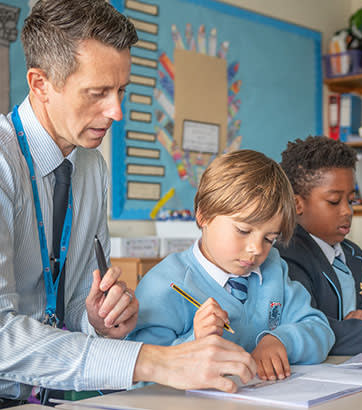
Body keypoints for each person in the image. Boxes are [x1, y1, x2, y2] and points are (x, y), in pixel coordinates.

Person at [0, 0, 256, 405]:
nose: (116, 111)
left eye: (121, 91)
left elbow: (71, 312)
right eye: (97, 93)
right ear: (40, 84)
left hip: (53, 396)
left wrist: (97, 321)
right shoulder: (2, 164)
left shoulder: (91, 167)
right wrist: (155, 361)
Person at [128, 150, 335, 381]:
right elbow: (139, 378)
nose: (257, 249)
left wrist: (279, 340)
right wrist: (195, 342)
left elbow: (319, 329)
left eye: (269, 238)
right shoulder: (163, 286)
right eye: (243, 231)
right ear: (204, 215)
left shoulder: (273, 268)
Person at [276, 135, 362, 355]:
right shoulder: (286, 257)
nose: (347, 211)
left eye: (351, 200)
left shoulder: (352, 254)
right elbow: (316, 328)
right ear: (297, 204)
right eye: (334, 201)